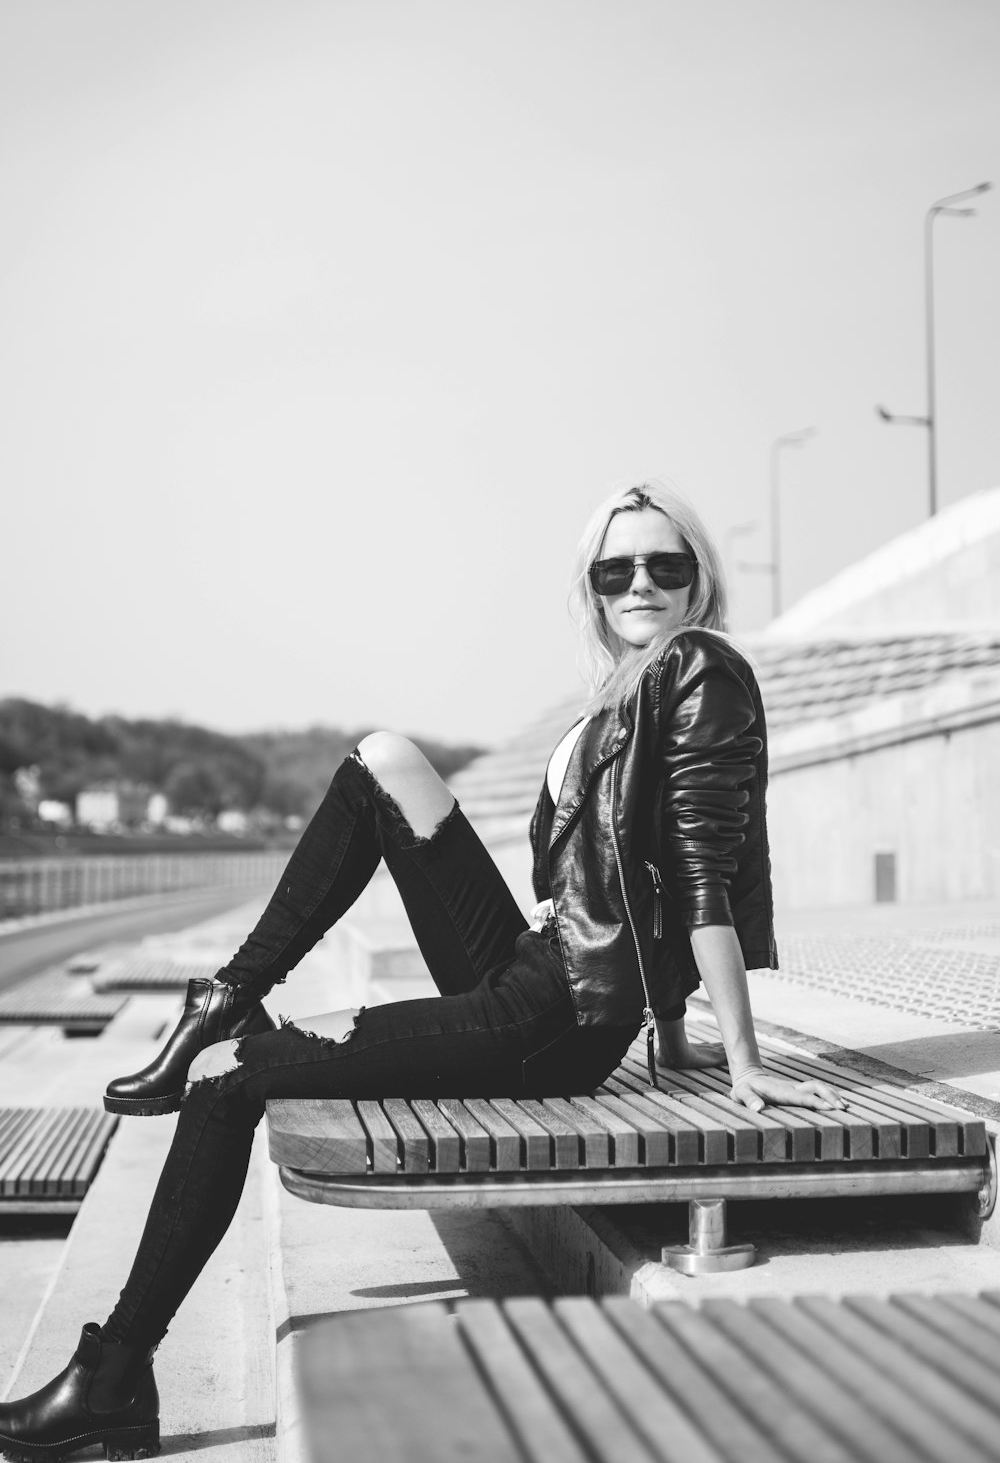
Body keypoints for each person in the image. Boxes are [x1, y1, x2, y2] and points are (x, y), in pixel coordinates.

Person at [0, 480, 844, 1462]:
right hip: (540, 967)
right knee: (382, 761)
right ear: (591, 586)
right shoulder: (622, 687)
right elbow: (631, 884)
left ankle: (111, 1384)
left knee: (231, 1079)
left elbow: (700, 871)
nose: (641, 584)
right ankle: (226, 995)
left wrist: (739, 1053)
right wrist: (666, 1033)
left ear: (700, 577)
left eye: (667, 565)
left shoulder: (699, 669)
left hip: (551, 1019)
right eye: (616, 569)